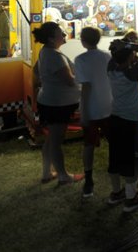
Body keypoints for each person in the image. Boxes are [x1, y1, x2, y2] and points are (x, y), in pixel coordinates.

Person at [106, 38, 138, 212]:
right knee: (131, 162)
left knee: (116, 157)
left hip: (115, 117)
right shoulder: (132, 74)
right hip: (130, 120)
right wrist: (128, 45)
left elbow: (115, 56)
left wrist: (120, 48)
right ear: (129, 56)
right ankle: (131, 199)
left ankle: (116, 193)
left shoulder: (110, 68)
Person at [33, 22, 83, 185]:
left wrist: (47, 80)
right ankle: (63, 175)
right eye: (60, 33)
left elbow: (36, 71)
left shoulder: (46, 52)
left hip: (50, 100)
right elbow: (69, 80)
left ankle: (47, 172)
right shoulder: (54, 55)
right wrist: (85, 81)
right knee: (55, 140)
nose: (64, 34)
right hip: (57, 103)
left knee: (51, 138)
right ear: (51, 38)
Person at [73, 26, 112, 198]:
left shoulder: (80, 60)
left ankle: (89, 181)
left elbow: (86, 87)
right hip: (109, 105)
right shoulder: (107, 56)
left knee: (89, 145)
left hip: (92, 108)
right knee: (114, 142)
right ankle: (118, 174)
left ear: (82, 40)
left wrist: (84, 112)